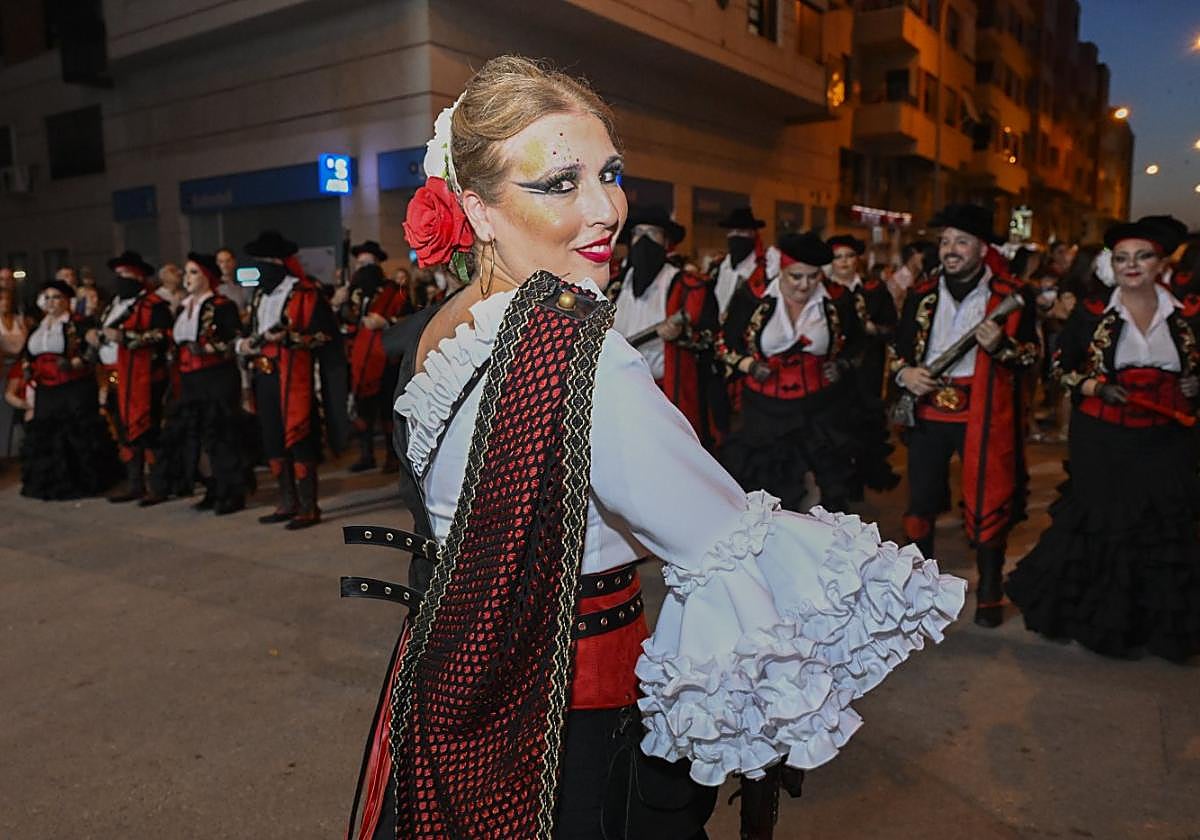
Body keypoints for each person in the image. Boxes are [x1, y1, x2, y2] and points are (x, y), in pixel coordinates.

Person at [344, 55, 964, 840]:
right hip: (565, 704)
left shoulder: (447, 324)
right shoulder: (579, 350)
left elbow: (496, 505)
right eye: (558, 184)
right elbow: (720, 542)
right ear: (479, 208)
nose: (606, 208)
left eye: (611, 172)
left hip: (450, 677)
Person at [1007, 216, 1200, 662]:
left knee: (1161, 526)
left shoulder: (1188, 312)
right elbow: (1060, 366)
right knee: (1106, 523)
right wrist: (1095, 386)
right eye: (1122, 258)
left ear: (1160, 263)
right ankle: (1103, 621)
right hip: (1103, 438)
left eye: (1142, 256)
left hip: (1167, 439)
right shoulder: (1093, 312)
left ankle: (1155, 626)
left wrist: (1195, 384)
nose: (1131, 265)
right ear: (1111, 265)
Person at [891, 203, 1039, 628]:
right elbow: (896, 349)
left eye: (961, 242)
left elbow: (1032, 356)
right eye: (945, 242)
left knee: (990, 493)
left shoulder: (1010, 296)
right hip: (929, 405)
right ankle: (920, 587)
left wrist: (1001, 347)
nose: (950, 249)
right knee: (921, 498)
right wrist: (906, 374)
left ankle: (989, 588)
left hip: (984, 409)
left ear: (981, 248)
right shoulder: (921, 294)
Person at [717, 232, 864, 514]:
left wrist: (842, 364)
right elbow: (723, 341)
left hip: (822, 407)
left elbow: (859, 344)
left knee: (827, 491)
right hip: (765, 410)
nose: (804, 284)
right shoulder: (754, 297)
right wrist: (748, 365)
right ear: (782, 270)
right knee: (774, 489)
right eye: (796, 276)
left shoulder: (837, 299)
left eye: (813, 277)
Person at [236, 230, 348, 529]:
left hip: (295, 376)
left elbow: (326, 336)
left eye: (262, 262)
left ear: (276, 262)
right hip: (265, 373)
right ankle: (286, 501)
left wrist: (291, 337)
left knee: (299, 436)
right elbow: (252, 330)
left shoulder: (305, 292)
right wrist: (247, 345)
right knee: (272, 437)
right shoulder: (260, 294)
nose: (259, 269)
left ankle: (309, 506)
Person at [609, 205, 725, 451]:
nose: (644, 241)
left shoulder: (689, 287)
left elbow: (711, 340)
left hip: (667, 395)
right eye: (639, 233)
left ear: (667, 243)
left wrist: (682, 336)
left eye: (653, 234)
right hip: (617, 393)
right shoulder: (614, 286)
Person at [142, 253, 249, 513]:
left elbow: (234, 341)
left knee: (220, 436)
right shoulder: (182, 306)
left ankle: (231, 492)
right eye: (187, 272)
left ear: (207, 277)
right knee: (197, 436)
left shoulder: (223, 305)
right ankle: (211, 488)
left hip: (216, 378)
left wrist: (210, 348)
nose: (187, 278)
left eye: (193, 272)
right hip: (189, 380)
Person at [17, 280, 119, 498]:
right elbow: (27, 353)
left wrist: (76, 363)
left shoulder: (78, 324)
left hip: (73, 387)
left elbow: (92, 350)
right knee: (47, 435)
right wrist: (27, 367)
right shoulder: (38, 326)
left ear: (66, 301)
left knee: (76, 433)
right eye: (48, 297)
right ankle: (49, 482)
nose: (52, 302)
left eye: (57, 297)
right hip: (46, 388)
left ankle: (83, 480)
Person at [86, 250, 173, 504]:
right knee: (123, 429)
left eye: (124, 274)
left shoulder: (154, 305)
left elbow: (163, 336)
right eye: (117, 275)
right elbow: (106, 333)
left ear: (137, 277)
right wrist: (95, 337)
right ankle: (134, 482)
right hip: (113, 376)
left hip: (145, 377)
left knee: (149, 428)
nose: (119, 279)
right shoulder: (113, 305)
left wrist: (126, 338)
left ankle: (157, 484)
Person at [827, 233, 900, 496]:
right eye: (838, 257)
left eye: (848, 256)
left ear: (857, 260)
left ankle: (864, 474)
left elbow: (893, 328)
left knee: (865, 423)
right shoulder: (823, 290)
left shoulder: (874, 289)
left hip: (868, 367)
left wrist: (874, 329)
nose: (844, 262)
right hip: (834, 369)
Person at [342, 260, 412, 472]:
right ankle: (367, 454)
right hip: (362, 359)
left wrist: (387, 321)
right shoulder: (358, 294)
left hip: (387, 359)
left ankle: (393, 457)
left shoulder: (393, 292)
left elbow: (409, 320)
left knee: (388, 412)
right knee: (365, 410)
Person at [711, 206, 767, 317]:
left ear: (752, 233)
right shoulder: (721, 267)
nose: (735, 235)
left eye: (741, 231)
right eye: (731, 231)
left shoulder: (765, 268)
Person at [0, 289, 28, 456]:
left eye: (7, 300)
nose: (5, 303)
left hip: (19, 368)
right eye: (1, 300)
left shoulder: (20, 320)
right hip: (1, 369)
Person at [215, 247, 248, 314]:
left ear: (234, 262)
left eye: (228, 261)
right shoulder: (213, 288)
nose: (225, 265)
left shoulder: (243, 288)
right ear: (217, 263)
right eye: (221, 261)